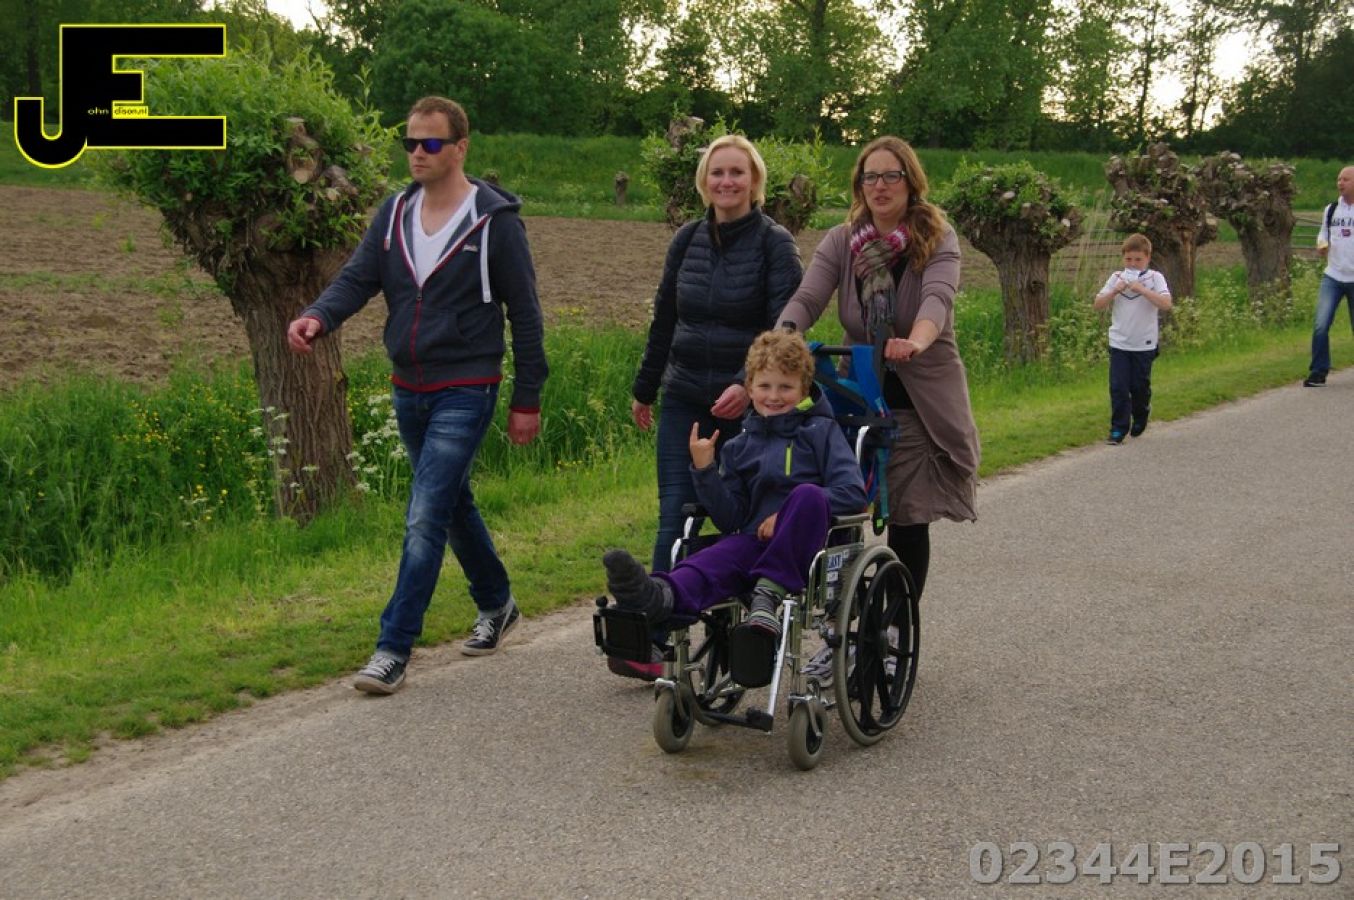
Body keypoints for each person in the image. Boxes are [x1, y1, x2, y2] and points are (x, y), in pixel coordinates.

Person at [286, 96, 548, 695]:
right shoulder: (395, 212)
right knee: (450, 503)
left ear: (461, 148)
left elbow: (527, 314)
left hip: (468, 384)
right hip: (409, 385)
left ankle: (393, 647)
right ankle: (498, 602)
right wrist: (318, 316)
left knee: (425, 512)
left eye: (430, 143)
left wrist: (526, 397)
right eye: (409, 143)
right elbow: (358, 278)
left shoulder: (495, 221)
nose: (417, 153)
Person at [776, 136, 980, 682]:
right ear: (859, 185)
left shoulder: (936, 238)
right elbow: (808, 297)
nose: (881, 186)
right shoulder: (842, 241)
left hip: (918, 402)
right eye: (871, 176)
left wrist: (917, 340)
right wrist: (783, 338)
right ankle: (839, 633)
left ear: (911, 182)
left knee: (907, 519)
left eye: (892, 176)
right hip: (857, 399)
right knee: (840, 516)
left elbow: (937, 300)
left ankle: (890, 632)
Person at [616, 134, 803, 680]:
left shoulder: (775, 244)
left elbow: (784, 332)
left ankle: (740, 629)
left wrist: (747, 386)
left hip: (748, 407)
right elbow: (664, 319)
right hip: (685, 397)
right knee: (674, 514)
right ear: (704, 182)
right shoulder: (686, 240)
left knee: (736, 517)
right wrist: (645, 388)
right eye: (717, 172)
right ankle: (655, 642)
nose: (726, 182)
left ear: (754, 181)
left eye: (737, 172)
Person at [604, 330, 866, 681]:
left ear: (804, 389)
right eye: (764, 386)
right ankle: (658, 597)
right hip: (754, 543)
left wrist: (785, 516)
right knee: (715, 557)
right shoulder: (739, 446)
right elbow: (731, 518)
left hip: (812, 547)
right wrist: (705, 470)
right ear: (749, 388)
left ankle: (768, 594)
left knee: (808, 494)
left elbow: (852, 492)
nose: (774, 396)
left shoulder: (821, 432)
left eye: (785, 387)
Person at [1093, 233, 1172, 443]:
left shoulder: (1155, 278)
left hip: (1144, 344)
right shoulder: (1116, 277)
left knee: (1139, 388)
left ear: (1147, 258)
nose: (1133, 264)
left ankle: (1141, 413)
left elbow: (1166, 304)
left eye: (1138, 259)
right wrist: (1114, 291)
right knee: (1118, 387)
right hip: (1119, 342)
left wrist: (1142, 290)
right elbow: (1098, 304)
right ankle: (1118, 428)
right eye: (1129, 259)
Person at [1303, 165, 1354, 387]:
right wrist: (1321, 244)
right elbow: (1323, 232)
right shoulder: (1331, 210)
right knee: (1321, 324)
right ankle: (1318, 371)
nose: (1340, 183)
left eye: (1346, 179)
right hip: (1333, 276)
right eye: (1339, 179)